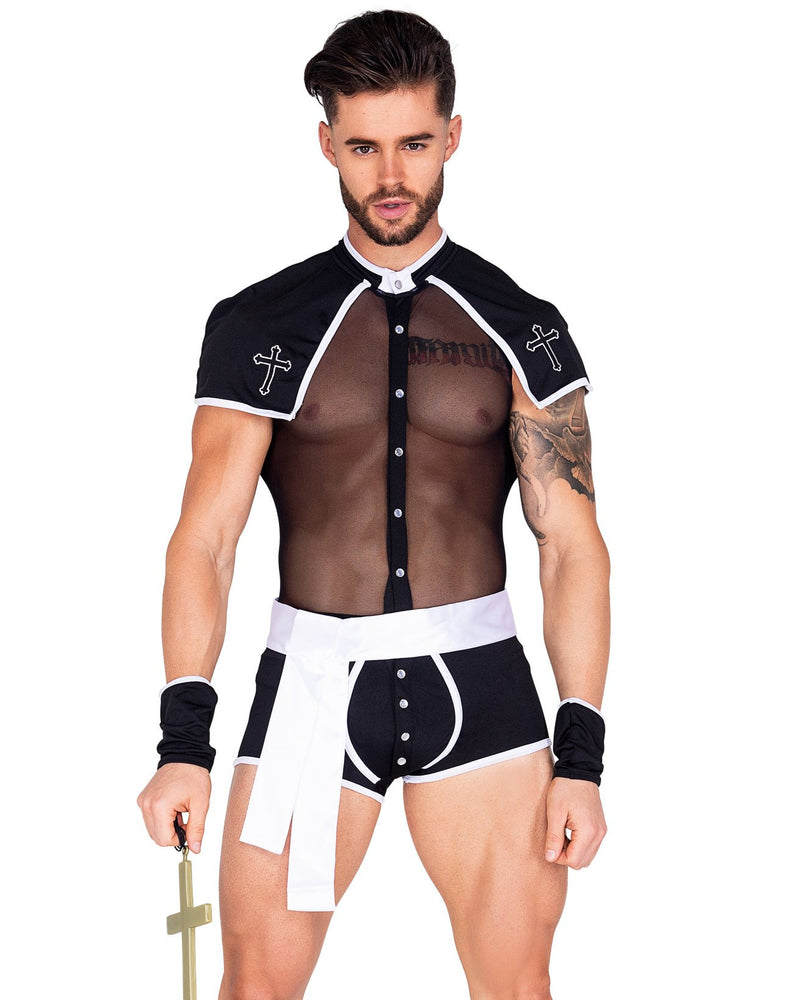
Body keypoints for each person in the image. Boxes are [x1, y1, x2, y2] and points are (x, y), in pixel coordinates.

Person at [138, 10, 610, 999]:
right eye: (362, 147)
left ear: (453, 135)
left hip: (480, 686)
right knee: (254, 988)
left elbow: (569, 543)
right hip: (312, 686)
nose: (391, 175)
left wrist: (581, 755)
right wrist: (184, 744)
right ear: (326, 145)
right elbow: (207, 539)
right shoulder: (261, 326)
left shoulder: (520, 326)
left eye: (414, 143)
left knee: (517, 986)